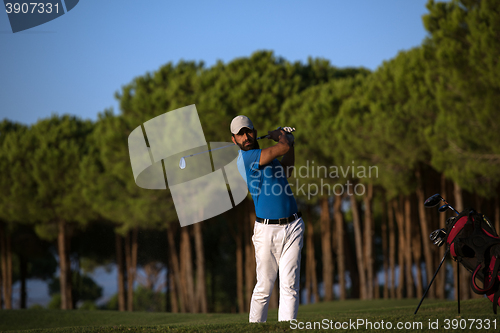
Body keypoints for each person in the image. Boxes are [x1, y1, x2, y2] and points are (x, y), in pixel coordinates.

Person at [230, 115, 305, 323]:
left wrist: (290, 141)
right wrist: (281, 136)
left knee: (290, 286)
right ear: (234, 140)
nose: (246, 136)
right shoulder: (247, 158)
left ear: (254, 132)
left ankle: (286, 328)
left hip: (293, 226)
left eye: (249, 131)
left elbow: (287, 168)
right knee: (264, 288)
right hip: (267, 231)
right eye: (240, 134)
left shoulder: (267, 158)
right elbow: (282, 148)